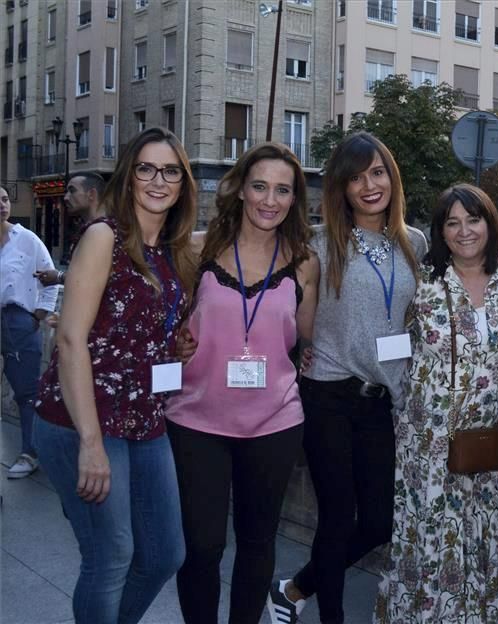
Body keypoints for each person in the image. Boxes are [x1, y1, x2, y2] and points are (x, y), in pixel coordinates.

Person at [33, 127, 197, 622]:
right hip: (81, 419)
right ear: (128, 177)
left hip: (145, 419)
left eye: (170, 171)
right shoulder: (104, 236)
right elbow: (70, 339)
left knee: (166, 554)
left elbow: (136, 325)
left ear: (183, 183)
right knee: (110, 558)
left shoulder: (172, 249)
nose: (157, 180)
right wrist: (90, 443)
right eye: (145, 168)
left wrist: (175, 345)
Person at [268, 132, 427, 624]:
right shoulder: (319, 244)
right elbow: (293, 316)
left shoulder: (414, 243)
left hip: (381, 401)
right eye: (356, 177)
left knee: (379, 522)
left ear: (391, 178)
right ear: (341, 187)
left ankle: (295, 588)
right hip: (329, 395)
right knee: (337, 520)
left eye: (377, 173)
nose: (369, 185)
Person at [165, 143, 319, 623]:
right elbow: (166, 328)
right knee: (203, 546)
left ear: (294, 199)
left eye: (282, 190)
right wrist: (175, 345)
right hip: (196, 420)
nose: (269, 200)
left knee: (257, 543)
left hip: (274, 423)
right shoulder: (196, 249)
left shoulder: (305, 262)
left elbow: (307, 340)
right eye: (260, 186)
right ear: (240, 189)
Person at [374, 184, 498, 623]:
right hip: (427, 443)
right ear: (440, 232)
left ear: (490, 223)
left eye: (473, 219)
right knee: (431, 540)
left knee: (487, 541)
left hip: (487, 443)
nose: (464, 231)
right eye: (452, 223)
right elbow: (380, 336)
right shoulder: (421, 281)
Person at [1, 185, 58, 479]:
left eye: (5, 199)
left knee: (26, 392)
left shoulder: (26, 240)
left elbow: (50, 276)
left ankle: (30, 452)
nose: (1, 205)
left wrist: (39, 314)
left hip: (18, 320)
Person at [36, 171, 106, 286]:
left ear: (92, 194)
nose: (66, 197)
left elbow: (91, 279)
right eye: (66, 192)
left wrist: (59, 276)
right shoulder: (94, 228)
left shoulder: (101, 231)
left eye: (72, 191)